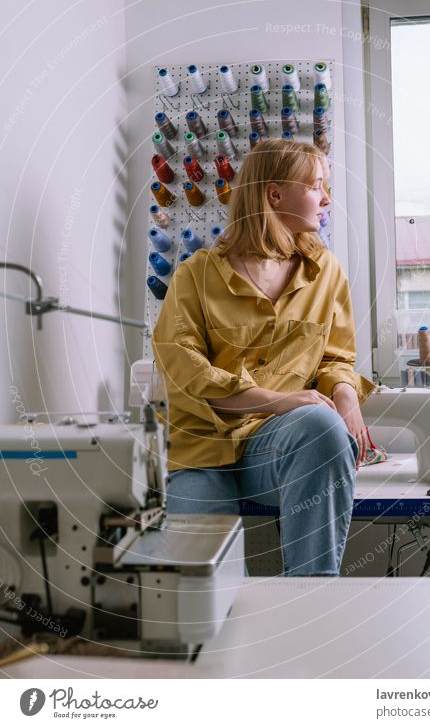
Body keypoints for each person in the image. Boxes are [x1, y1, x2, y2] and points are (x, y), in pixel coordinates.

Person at [152, 137, 375, 576]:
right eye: (315, 186)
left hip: (273, 448)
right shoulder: (195, 275)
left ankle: (310, 602)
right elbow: (186, 372)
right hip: (201, 448)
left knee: (321, 426)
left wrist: (346, 396)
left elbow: (334, 357)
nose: (326, 198)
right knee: (204, 590)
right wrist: (279, 400)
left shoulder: (324, 272)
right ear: (275, 194)